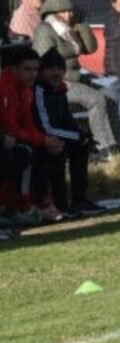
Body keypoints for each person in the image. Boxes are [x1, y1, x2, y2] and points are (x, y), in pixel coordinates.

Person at [31, 0, 120, 158]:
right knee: (96, 99)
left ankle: (117, 143)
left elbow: (90, 48)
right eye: (64, 11)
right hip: (57, 82)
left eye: (70, 11)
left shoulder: (69, 29)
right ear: (53, 11)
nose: (68, 15)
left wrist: (81, 23)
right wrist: (73, 77)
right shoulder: (45, 30)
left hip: (75, 76)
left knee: (111, 96)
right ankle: (104, 147)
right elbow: (44, 64)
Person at [33, 48, 106, 216]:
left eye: (59, 69)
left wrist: (82, 135)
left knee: (81, 147)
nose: (56, 73)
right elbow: (45, 127)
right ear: (42, 71)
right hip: (41, 139)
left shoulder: (59, 91)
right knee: (59, 150)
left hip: (56, 137)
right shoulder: (39, 92)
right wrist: (76, 136)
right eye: (51, 69)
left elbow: (68, 121)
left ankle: (80, 199)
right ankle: (60, 202)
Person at [0, 46, 60, 226]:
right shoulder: (5, 89)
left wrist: (46, 140)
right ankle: (22, 205)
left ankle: (48, 202)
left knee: (51, 150)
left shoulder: (26, 90)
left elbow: (28, 125)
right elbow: (9, 126)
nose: (32, 74)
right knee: (25, 152)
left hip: (9, 138)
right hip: (4, 139)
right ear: (14, 69)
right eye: (27, 69)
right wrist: (41, 140)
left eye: (35, 69)